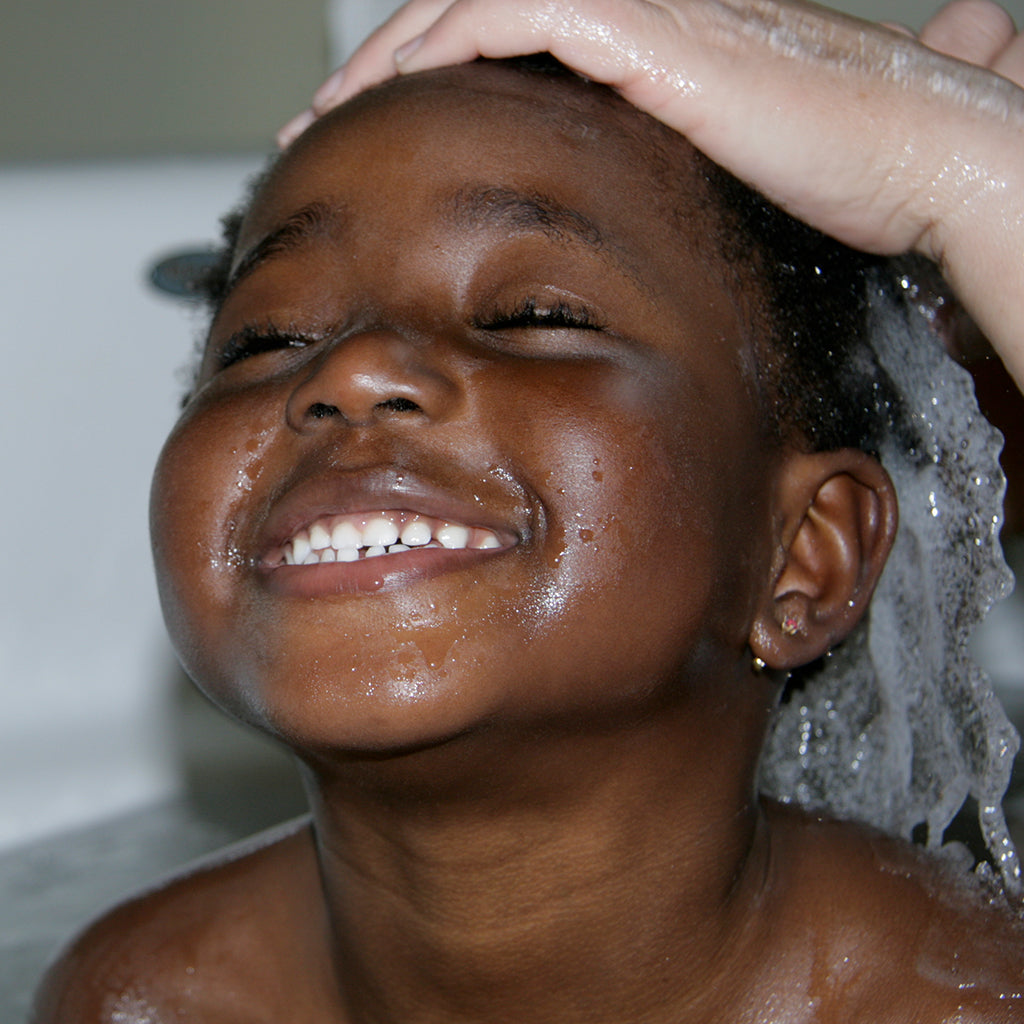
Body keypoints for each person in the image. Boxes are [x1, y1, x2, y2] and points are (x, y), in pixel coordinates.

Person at [32, 2, 1024, 1021]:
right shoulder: (150, 1000)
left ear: (802, 556)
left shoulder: (960, 997)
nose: (354, 368)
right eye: (265, 337)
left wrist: (956, 165)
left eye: (533, 317)